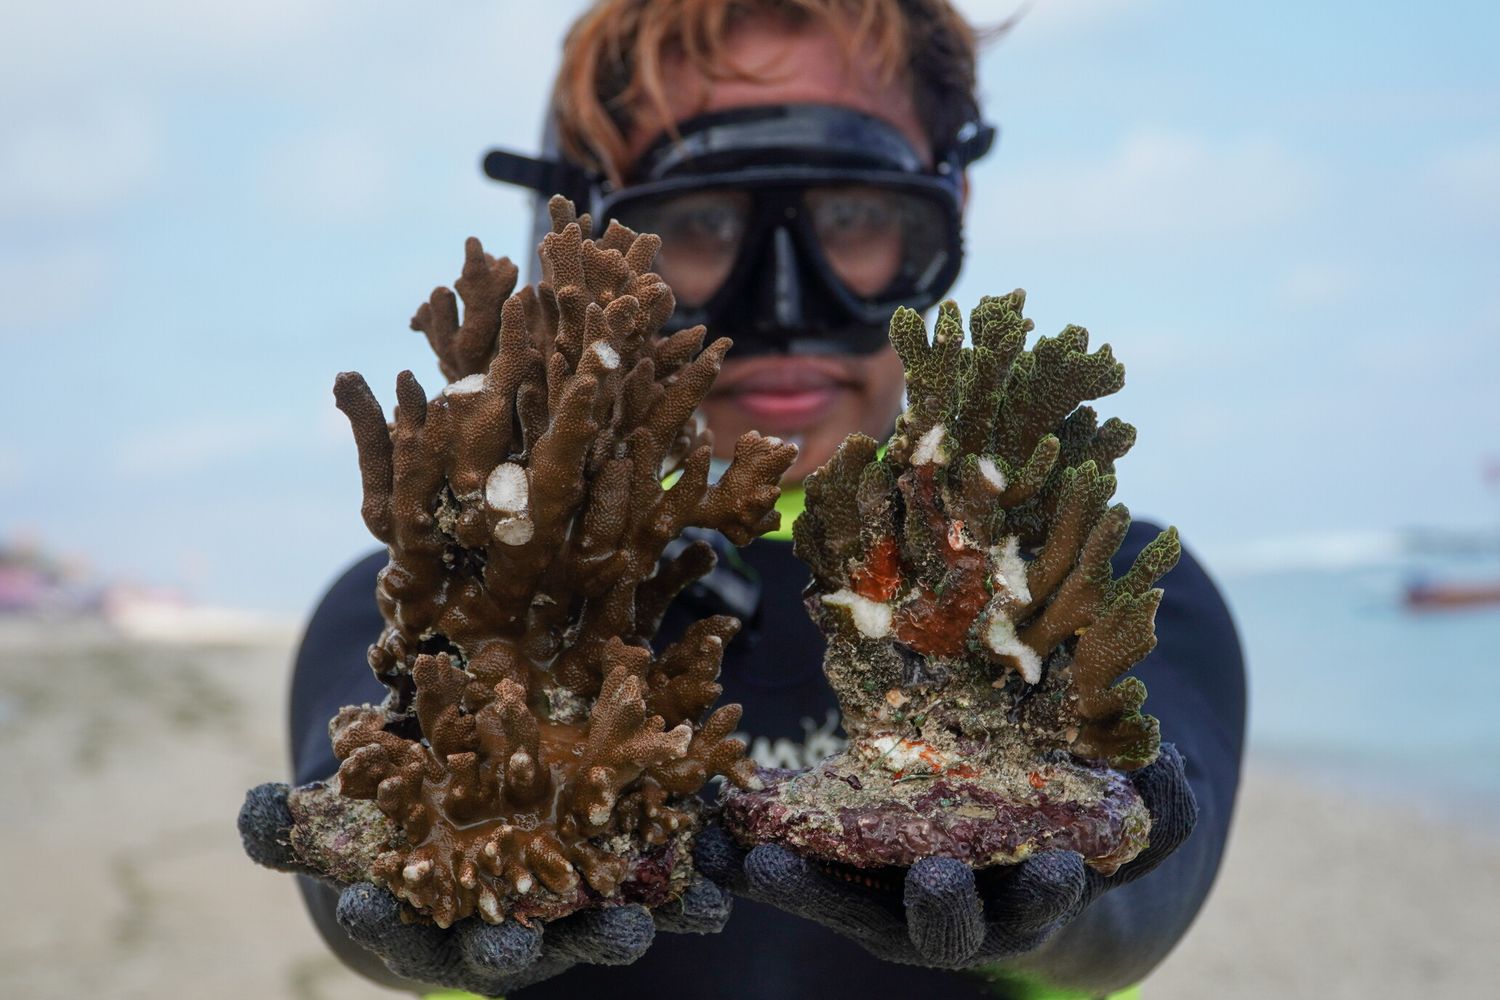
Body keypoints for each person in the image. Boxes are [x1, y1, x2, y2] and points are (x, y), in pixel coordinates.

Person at [243, 2, 1246, 997]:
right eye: (696, 224)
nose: (780, 307)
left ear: (952, 210)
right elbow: (351, 839)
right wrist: (407, 875)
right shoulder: (421, 611)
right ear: (584, 240)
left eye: (853, 215)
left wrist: (1070, 906)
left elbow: (1147, 895)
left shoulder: (1100, 583)